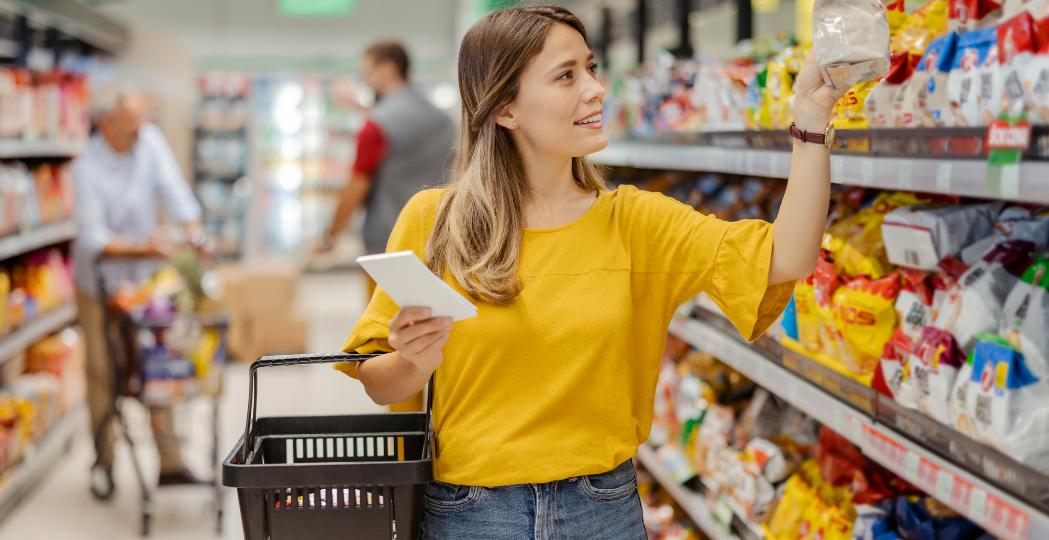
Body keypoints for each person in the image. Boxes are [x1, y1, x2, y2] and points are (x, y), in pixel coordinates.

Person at [338, 6, 845, 539]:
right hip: (470, 513)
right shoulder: (436, 221)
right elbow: (376, 380)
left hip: (601, 512)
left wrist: (810, 125)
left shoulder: (636, 222)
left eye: (591, 68)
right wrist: (412, 361)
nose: (596, 89)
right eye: (566, 75)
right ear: (506, 107)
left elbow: (786, 257)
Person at [71, 90, 207, 493]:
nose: (140, 127)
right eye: (131, 121)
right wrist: (147, 246)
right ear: (107, 124)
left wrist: (194, 231)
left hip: (144, 283)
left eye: (141, 119)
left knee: (157, 363)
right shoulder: (86, 167)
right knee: (102, 371)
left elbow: (176, 191)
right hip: (99, 284)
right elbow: (94, 238)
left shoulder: (149, 142)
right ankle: (104, 459)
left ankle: (170, 461)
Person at [318, 41, 453, 413]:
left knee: (396, 353)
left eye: (368, 72)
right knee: (443, 346)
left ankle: (406, 451)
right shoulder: (442, 119)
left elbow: (355, 188)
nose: (365, 80)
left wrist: (329, 236)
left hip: (389, 254)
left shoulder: (376, 126)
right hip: (446, 249)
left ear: (387, 69)